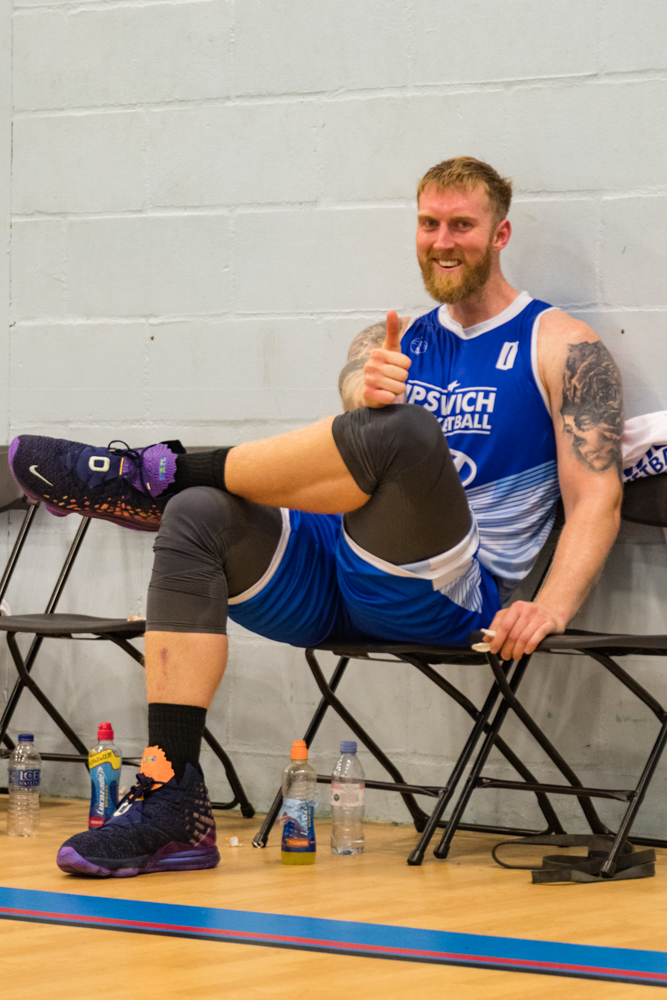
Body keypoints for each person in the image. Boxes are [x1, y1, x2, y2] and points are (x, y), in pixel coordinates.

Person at [9, 157, 624, 877]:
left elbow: (597, 498)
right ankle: (172, 799)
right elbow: (343, 446)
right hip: (335, 580)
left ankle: (164, 471)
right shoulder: (385, 342)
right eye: (428, 223)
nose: (442, 240)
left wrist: (550, 606)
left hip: (446, 595)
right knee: (198, 516)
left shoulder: (563, 346)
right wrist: (363, 393)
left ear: (500, 233)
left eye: (462, 224)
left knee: (407, 433)